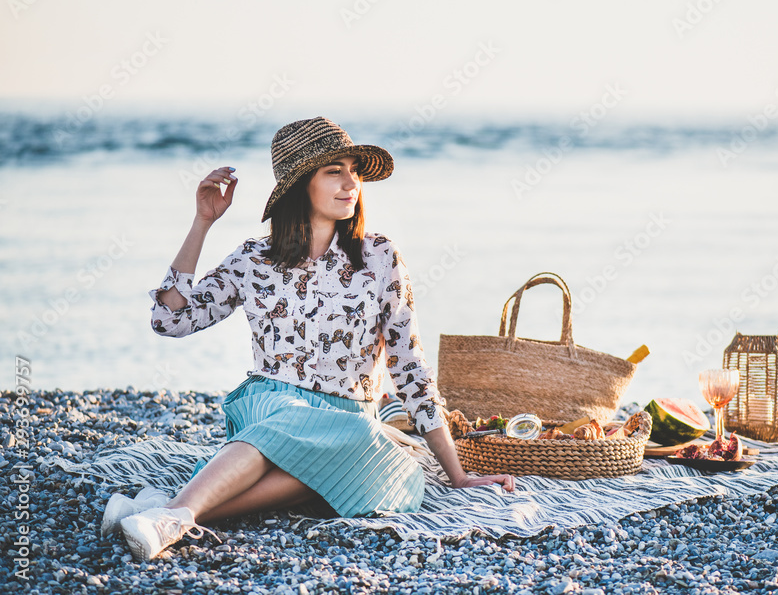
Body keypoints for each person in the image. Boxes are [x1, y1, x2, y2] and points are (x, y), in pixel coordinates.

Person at [103, 117, 515, 561]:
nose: (350, 182)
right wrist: (202, 223)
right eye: (333, 170)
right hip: (274, 403)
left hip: (351, 420)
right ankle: (174, 515)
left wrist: (456, 475)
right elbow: (170, 320)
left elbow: (408, 365)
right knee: (310, 438)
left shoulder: (380, 257)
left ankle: (164, 511)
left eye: (354, 170)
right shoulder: (254, 259)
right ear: (301, 184)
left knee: (397, 473)